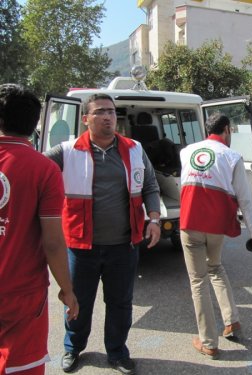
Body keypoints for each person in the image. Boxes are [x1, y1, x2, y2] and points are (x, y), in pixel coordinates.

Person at [45, 93, 161, 374]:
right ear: (86, 119)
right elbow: (37, 172)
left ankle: (117, 352)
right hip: (80, 246)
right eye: (100, 112)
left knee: (120, 303)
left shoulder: (134, 148)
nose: (108, 116)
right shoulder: (67, 151)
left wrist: (154, 218)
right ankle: (73, 348)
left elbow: (150, 185)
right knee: (77, 301)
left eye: (111, 111)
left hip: (124, 245)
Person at [0, 84, 79, 375]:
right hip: (22, 292)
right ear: (35, 124)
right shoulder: (44, 169)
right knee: (21, 366)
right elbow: (54, 243)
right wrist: (67, 290)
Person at [180, 113, 252, 360]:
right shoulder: (232, 157)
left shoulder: (186, 151)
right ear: (227, 130)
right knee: (216, 268)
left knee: (198, 280)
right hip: (216, 227)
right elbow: (246, 202)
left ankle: (209, 341)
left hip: (190, 223)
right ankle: (231, 321)